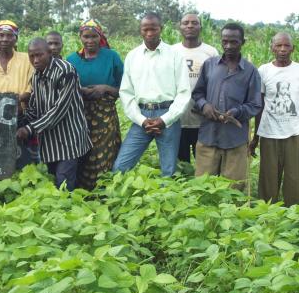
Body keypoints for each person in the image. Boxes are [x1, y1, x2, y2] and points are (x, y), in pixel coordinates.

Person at [113, 13, 191, 177]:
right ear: (140, 30)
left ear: (160, 29)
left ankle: (164, 198)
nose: (149, 33)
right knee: (121, 166)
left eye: (153, 29)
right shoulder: (132, 56)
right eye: (145, 29)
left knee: (168, 171)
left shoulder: (175, 55)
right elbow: (126, 93)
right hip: (142, 117)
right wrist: (142, 121)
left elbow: (184, 92)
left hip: (168, 116)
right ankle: (116, 199)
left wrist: (165, 120)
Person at [192, 23, 262, 190]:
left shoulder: (251, 71)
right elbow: (197, 94)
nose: (229, 46)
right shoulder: (209, 65)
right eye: (225, 41)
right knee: (203, 188)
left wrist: (237, 111)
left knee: (234, 189)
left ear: (242, 42)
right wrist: (205, 106)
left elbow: (255, 104)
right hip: (209, 136)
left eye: (234, 42)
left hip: (235, 139)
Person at [249, 33, 299, 205]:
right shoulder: (263, 71)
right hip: (270, 133)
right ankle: (268, 215)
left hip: (295, 133)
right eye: (278, 46)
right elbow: (260, 106)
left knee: (294, 178)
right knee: (268, 177)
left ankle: (291, 215)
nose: (283, 50)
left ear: (293, 48)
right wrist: (256, 137)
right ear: (272, 48)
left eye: (286, 46)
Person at [17, 38, 91, 191]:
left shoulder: (65, 71)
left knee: (63, 183)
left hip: (69, 138)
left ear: (49, 53)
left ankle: (67, 212)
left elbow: (58, 110)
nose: (35, 60)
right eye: (32, 56)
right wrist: (20, 119)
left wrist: (29, 129)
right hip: (50, 142)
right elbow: (35, 107)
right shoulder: (36, 76)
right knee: (54, 180)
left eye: (39, 55)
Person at [66, 19, 123, 189]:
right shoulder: (72, 60)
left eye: (94, 36)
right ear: (80, 37)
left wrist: (106, 88)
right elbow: (66, 89)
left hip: (104, 115)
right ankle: (81, 191)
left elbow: (126, 88)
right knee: (81, 152)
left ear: (100, 37)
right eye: (86, 36)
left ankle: (103, 191)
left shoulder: (111, 57)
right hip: (79, 114)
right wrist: (80, 91)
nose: (90, 41)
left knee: (103, 153)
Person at [0, 20, 36, 168]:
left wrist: (16, 99)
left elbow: (32, 87)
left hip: (21, 116)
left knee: (22, 159)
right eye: (1, 35)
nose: (4, 39)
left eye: (9, 36)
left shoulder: (26, 59)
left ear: (15, 38)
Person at [170, 13, 219, 163]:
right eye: (185, 23)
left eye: (194, 23)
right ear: (180, 27)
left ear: (200, 27)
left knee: (204, 163)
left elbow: (216, 84)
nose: (190, 26)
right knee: (181, 163)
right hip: (177, 117)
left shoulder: (211, 52)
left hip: (202, 119)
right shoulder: (171, 51)